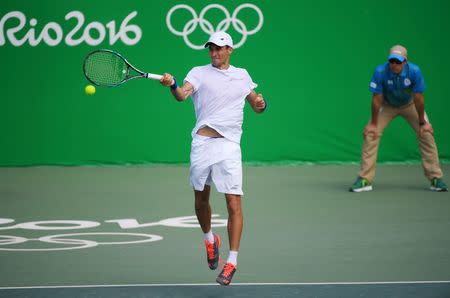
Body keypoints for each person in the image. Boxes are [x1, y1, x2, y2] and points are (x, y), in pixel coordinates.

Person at [159, 31, 267, 285]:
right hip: (202, 144)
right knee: (200, 201)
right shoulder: (198, 72)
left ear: (230, 49)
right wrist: (173, 85)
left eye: (219, 48)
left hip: (229, 145)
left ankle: (232, 261)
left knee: (233, 203)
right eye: (211, 49)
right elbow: (182, 95)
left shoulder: (242, 76)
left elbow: (257, 105)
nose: (215, 53)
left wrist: (262, 103)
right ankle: (210, 239)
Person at [349, 45, 447, 192]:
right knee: (371, 133)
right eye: (392, 61)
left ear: (405, 62)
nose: (394, 64)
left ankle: (435, 178)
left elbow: (419, 99)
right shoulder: (380, 72)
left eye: (398, 61)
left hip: (410, 105)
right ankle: (364, 179)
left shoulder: (415, 72)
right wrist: (373, 124)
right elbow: (376, 99)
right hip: (387, 105)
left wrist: (422, 122)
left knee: (425, 133)